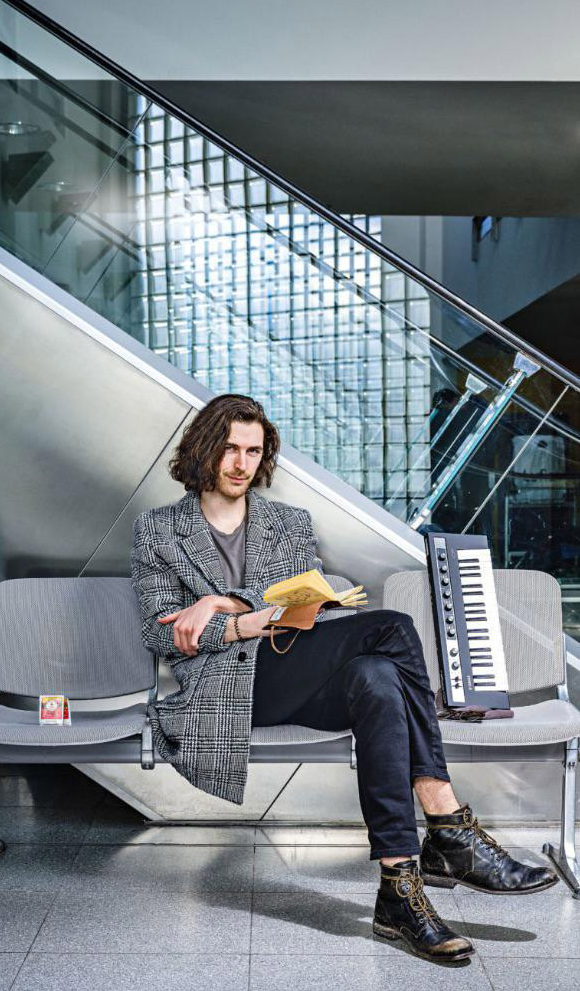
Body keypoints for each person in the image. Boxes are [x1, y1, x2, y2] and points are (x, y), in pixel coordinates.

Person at [130, 393, 557, 963]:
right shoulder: (158, 530)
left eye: (253, 451)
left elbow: (313, 593)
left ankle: (399, 890)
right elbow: (163, 635)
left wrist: (224, 601)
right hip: (226, 693)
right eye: (229, 448)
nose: (240, 463)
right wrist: (242, 624)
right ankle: (449, 826)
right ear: (204, 448)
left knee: (380, 678)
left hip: (295, 666)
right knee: (394, 627)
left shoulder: (287, 523)